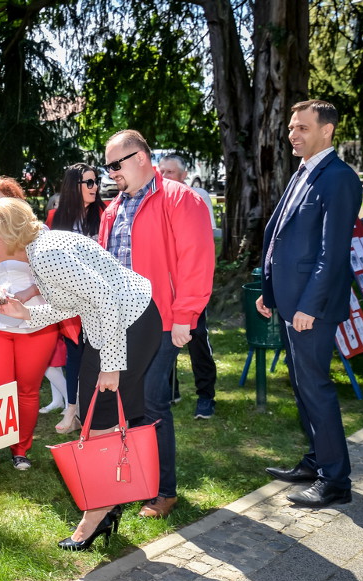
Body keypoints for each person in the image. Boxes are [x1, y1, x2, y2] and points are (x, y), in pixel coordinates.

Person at [0, 197, 160, 551]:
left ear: (6, 233)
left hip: (129, 324)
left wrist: (111, 364)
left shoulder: (46, 253)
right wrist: (26, 314)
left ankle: (98, 513)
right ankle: (107, 504)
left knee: (99, 423)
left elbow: (106, 297)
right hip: (114, 325)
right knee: (96, 423)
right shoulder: (40, 250)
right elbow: (72, 304)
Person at [98, 130, 215, 519]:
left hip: (161, 320)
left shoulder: (182, 199)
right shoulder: (112, 209)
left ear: (142, 157)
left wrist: (185, 317)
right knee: (126, 404)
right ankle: (138, 481)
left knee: (152, 399)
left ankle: (164, 491)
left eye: (117, 164)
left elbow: (196, 261)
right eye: (108, 165)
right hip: (119, 321)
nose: (111, 172)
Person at [258, 99, 362, 509]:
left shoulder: (338, 178)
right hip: (289, 302)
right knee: (302, 387)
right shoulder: (305, 171)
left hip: (310, 308)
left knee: (316, 388)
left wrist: (308, 306)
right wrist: (270, 291)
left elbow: (331, 253)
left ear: (327, 130)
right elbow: (282, 235)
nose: (292, 135)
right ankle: (318, 461)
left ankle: (336, 481)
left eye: (302, 128)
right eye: (290, 128)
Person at [0, 177, 59, 479]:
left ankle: (21, 449)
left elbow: (53, 278)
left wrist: (28, 294)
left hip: (36, 325)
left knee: (28, 392)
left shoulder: (37, 234)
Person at [44, 163, 107, 432]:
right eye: (89, 183)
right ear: (74, 186)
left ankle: (97, 413)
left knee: (100, 357)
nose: (95, 188)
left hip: (101, 297)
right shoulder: (56, 219)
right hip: (70, 300)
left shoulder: (105, 213)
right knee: (74, 355)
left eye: (96, 182)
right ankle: (72, 411)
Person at [158, 154, 218, 419]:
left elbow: (200, 245)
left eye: (170, 172)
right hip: (163, 288)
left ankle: (206, 396)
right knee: (161, 341)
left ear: (184, 175)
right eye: (162, 171)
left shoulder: (196, 196)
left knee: (197, 342)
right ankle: (170, 391)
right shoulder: (156, 197)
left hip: (189, 288)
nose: (165, 176)